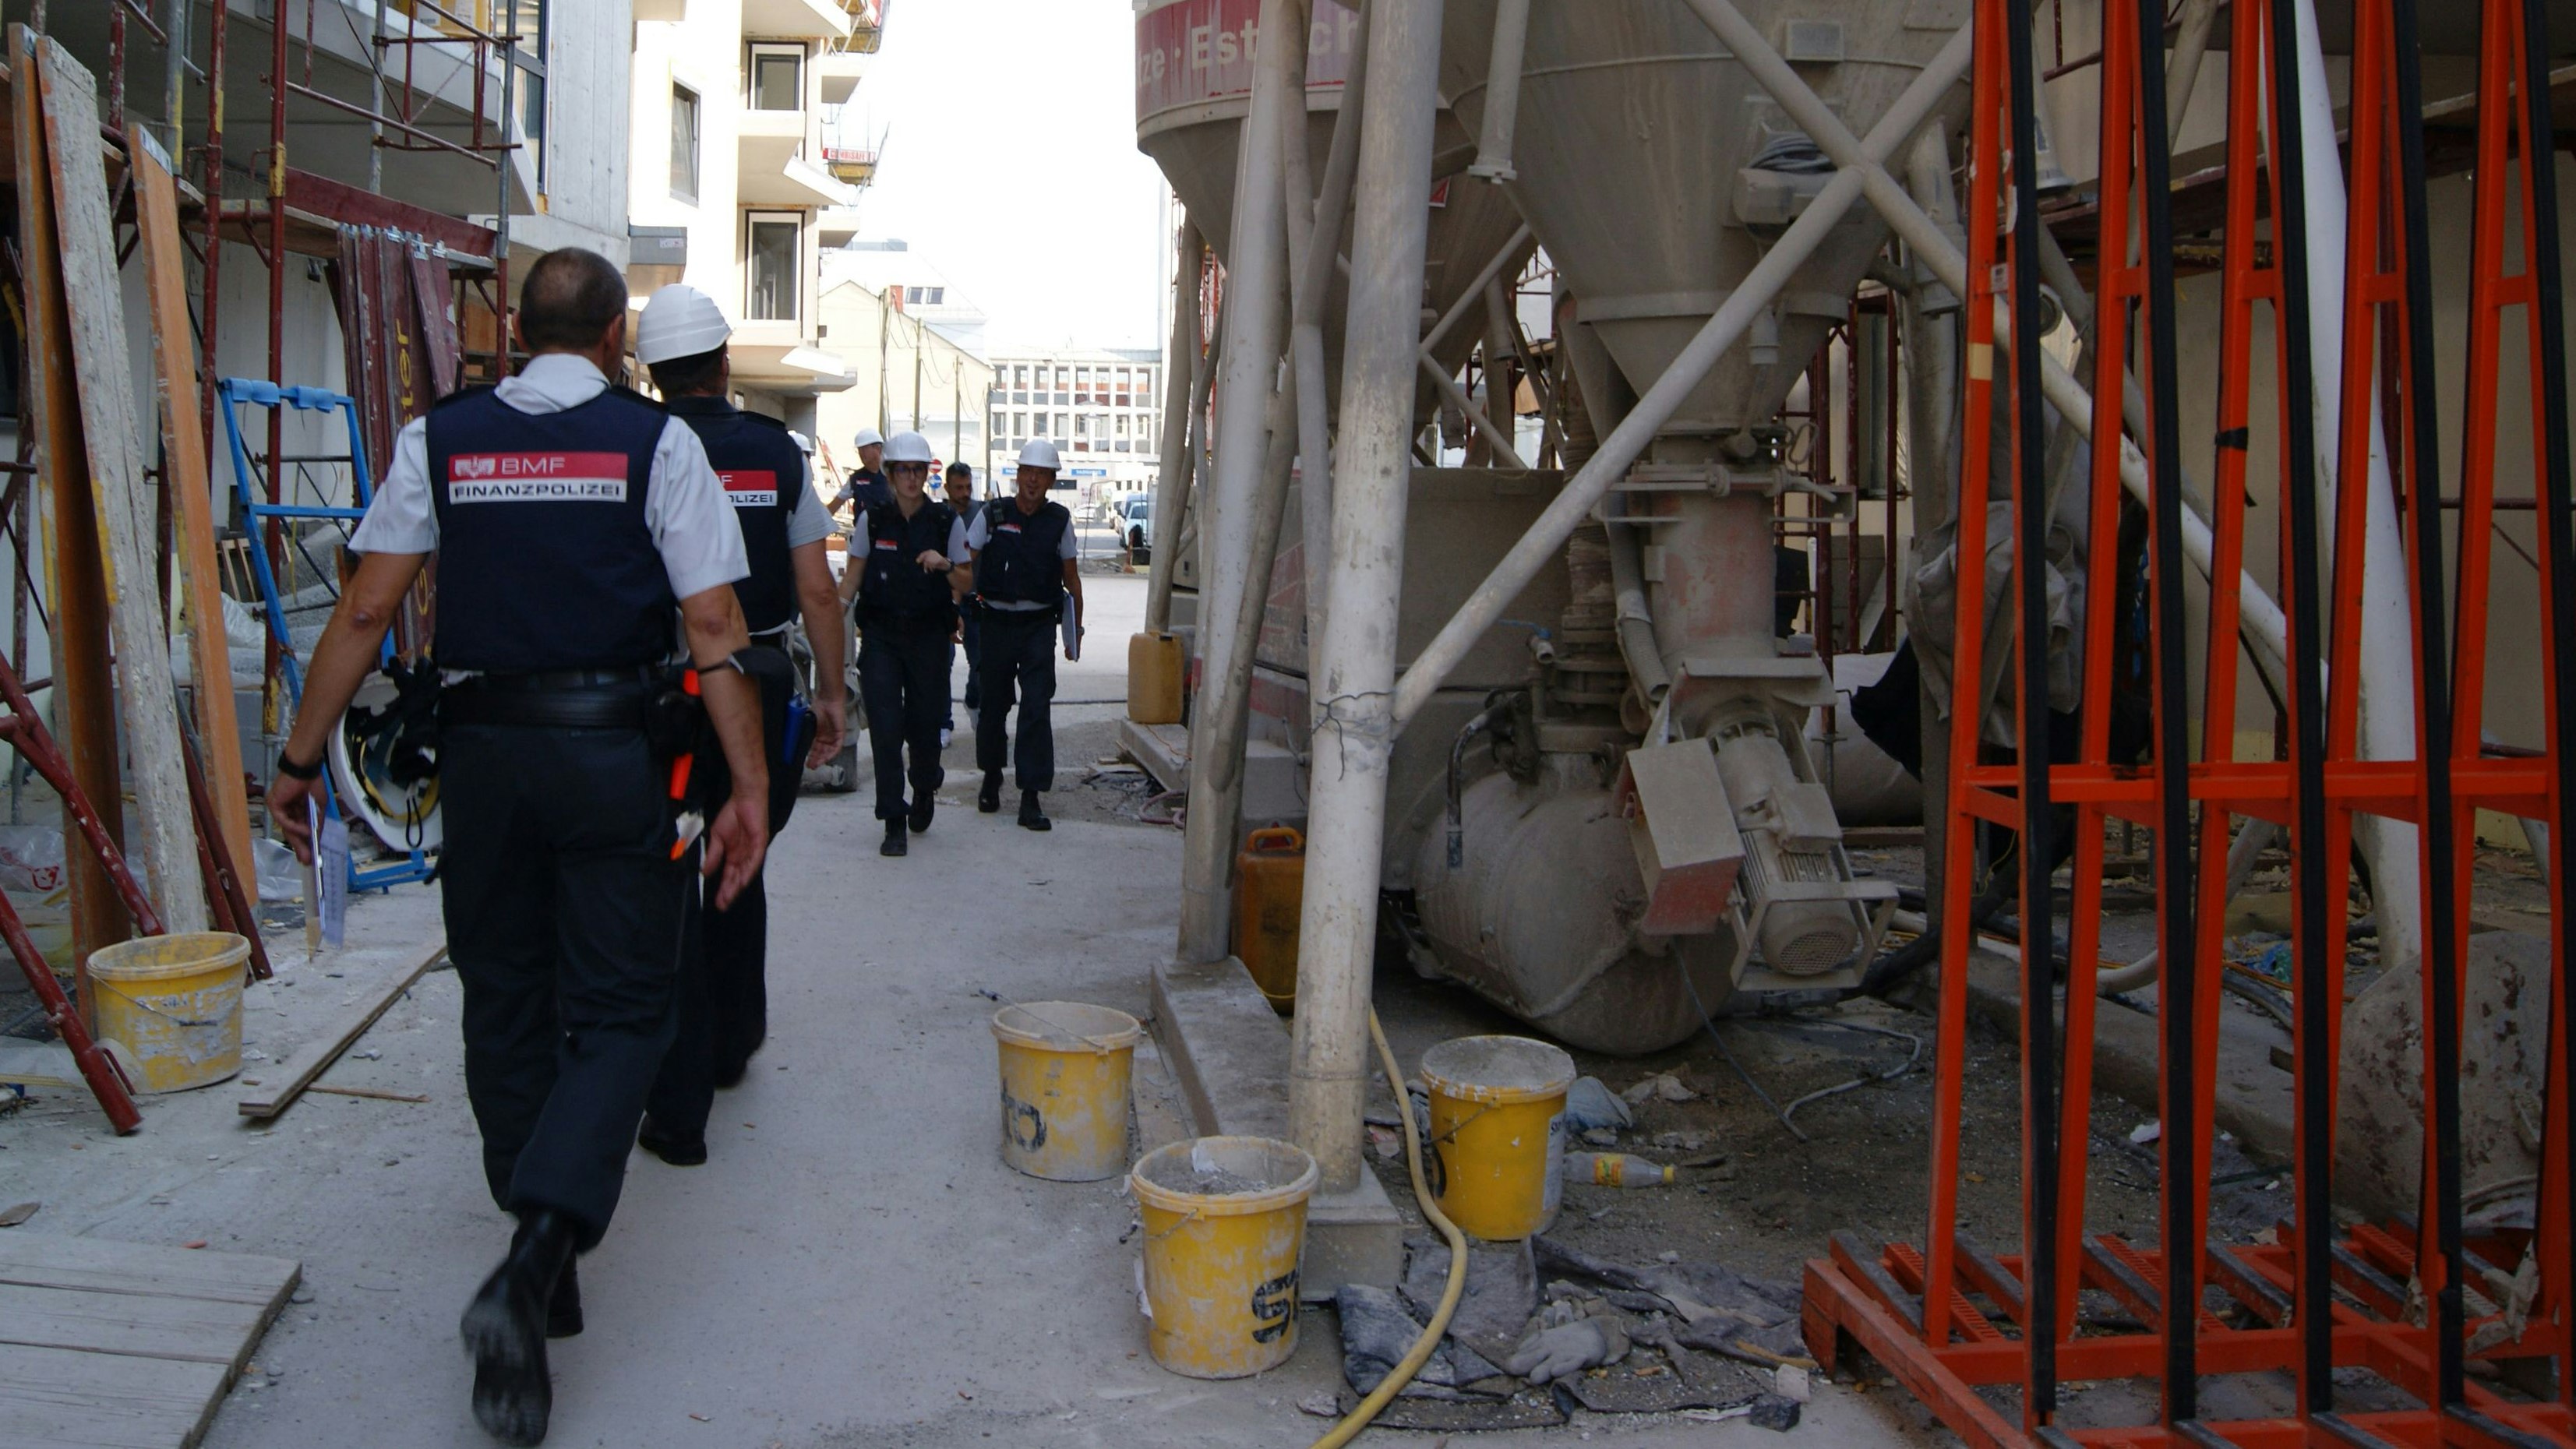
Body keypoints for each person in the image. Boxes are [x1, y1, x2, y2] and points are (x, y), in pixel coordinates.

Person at [265, 249, 770, 1447]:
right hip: (612, 758)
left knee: (502, 994)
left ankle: (543, 1276)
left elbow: (367, 607)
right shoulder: (657, 445)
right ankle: (540, 1250)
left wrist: (297, 759)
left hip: (483, 758)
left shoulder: (442, 439)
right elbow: (712, 624)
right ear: (612, 338)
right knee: (626, 1009)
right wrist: (747, 784)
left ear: (518, 334)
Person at [628, 284, 849, 1167]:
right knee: (739, 856)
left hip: (658, 692)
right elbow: (817, 589)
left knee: (665, 870)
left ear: (652, 372)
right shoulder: (774, 453)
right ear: (723, 364)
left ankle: (673, 1072)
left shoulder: (636, 445)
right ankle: (731, 1039)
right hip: (753, 682)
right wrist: (833, 693)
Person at [835, 430, 969, 856]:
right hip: (882, 639)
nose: (911, 478)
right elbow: (852, 578)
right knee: (886, 729)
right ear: (890, 475)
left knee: (925, 728)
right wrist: (832, 614)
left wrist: (945, 565)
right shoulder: (873, 521)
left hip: (929, 639)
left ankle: (925, 785)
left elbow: (969, 580)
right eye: (903, 470)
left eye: (918, 470)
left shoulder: (946, 521)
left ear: (927, 474)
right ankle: (893, 818)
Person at [967, 439, 1083, 832]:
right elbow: (965, 562)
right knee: (993, 704)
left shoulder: (1059, 521)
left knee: (1036, 706)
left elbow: (1071, 578)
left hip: (1038, 627)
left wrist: (1075, 632)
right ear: (1017, 475)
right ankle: (991, 777)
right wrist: (955, 611)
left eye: (1041, 474)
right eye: (1027, 472)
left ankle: (1031, 796)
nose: (1033, 480)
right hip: (995, 623)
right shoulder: (992, 514)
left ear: (1051, 480)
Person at [942, 460, 981, 748]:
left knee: (981, 662)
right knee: (941, 663)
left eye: (968, 487)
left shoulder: (981, 514)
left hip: (977, 600)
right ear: (947, 488)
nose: (965, 493)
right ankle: (943, 723)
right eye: (959, 488)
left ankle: (974, 700)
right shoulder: (938, 518)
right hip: (944, 601)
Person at [832, 427, 891, 513]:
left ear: (878, 448)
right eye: (859, 449)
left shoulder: (893, 475)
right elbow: (833, 507)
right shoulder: (855, 479)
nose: (861, 453)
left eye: (864, 449)